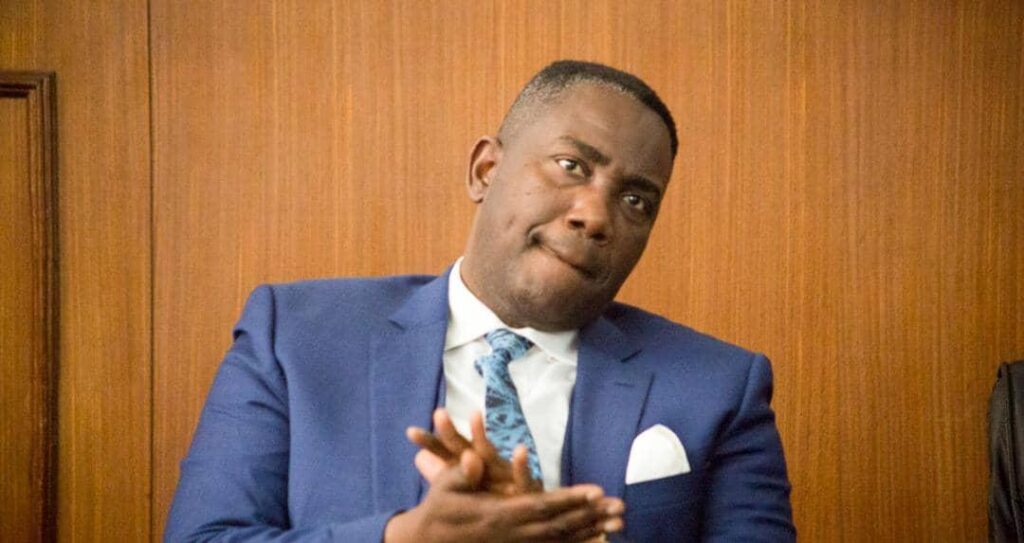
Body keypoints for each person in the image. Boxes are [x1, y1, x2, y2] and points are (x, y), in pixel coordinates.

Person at [166, 60, 795, 542]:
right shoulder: (294, 337)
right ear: (485, 171)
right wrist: (406, 538)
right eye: (572, 166)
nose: (596, 215)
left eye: (636, 200)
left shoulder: (718, 388)